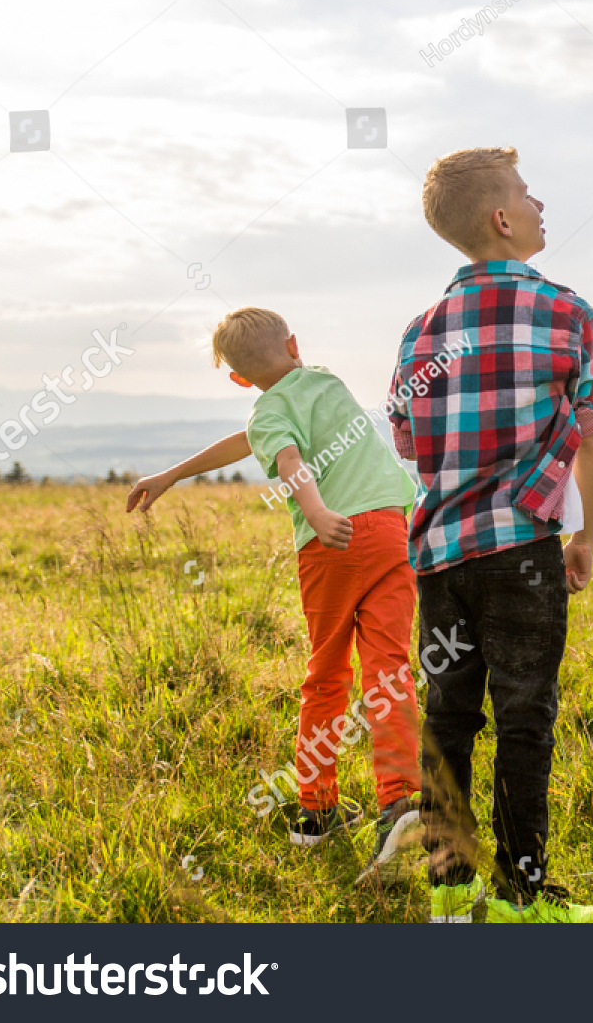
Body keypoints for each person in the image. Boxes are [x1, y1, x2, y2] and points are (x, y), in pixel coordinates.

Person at [125, 308, 424, 878]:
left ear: (239, 379)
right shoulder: (326, 382)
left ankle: (316, 811)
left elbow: (283, 454)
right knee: (388, 671)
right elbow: (258, 438)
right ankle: (399, 803)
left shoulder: (267, 411)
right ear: (293, 344)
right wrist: (176, 472)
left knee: (328, 673)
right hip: (390, 529)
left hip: (331, 542)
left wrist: (314, 508)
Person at [393, 146, 593, 923]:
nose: (540, 201)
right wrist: (582, 537)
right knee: (526, 716)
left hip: (440, 558)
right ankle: (524, 895)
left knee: (448, 714)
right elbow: (586, 432)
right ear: (503, 218)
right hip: (523, 550)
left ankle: (450, 889)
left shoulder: (419, 332)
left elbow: (409, 445)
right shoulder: (568, 313)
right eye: (527, 190)